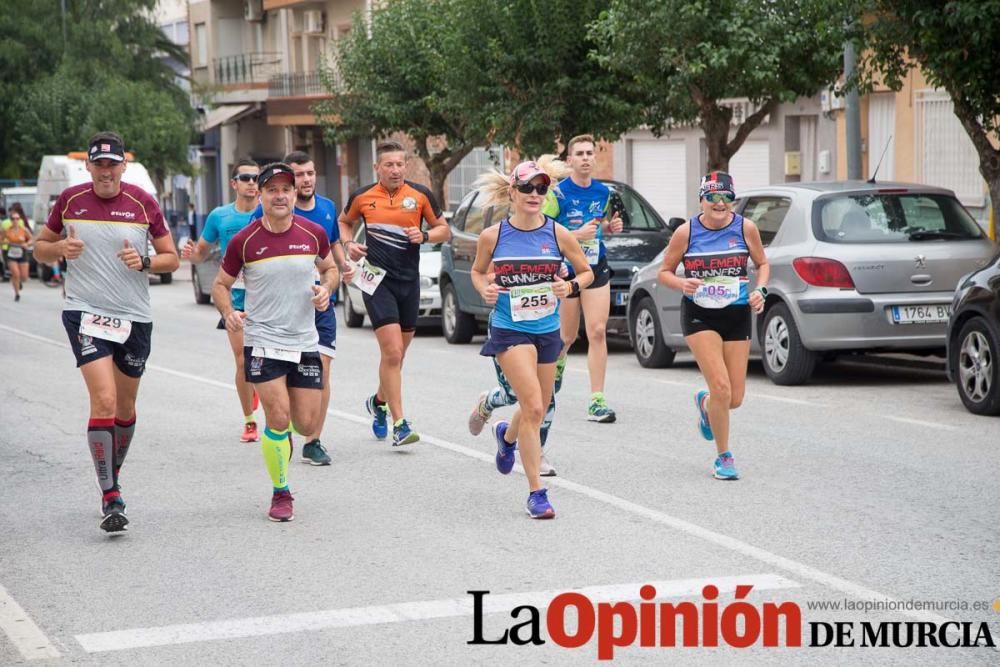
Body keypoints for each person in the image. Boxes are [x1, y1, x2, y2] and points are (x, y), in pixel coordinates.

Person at [33, 131, 179, 533]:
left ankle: (110, 468)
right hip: (85, 312)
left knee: (125, 409)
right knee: (103, 398)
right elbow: (39, 247)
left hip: (133, 315)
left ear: (123, 167)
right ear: (89, 167)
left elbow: (173, 259)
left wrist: (145, 261)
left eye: (112, 164)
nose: (105, 172)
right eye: (99, 164)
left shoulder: (142, 202)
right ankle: (110, 494)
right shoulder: (70, 201)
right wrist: (59, 249)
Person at [212, 162, 338, 522]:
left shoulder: (313, 233)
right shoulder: (245, 241)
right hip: (263, 340)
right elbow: (220, 285)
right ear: (262, 196)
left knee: (306, 425)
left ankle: (280, 443)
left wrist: (326, 289)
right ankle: (281, 491)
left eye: (286, 189)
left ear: (294, 193)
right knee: (278, 416)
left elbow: (329, 269)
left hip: (304, 340)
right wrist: (228, 312)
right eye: (272, 190)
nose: (280, 195)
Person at [471, 158, 592, 519]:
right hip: (510, 327)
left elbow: (586, 273)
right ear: (512, 192)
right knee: (535, 406)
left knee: (534, 406)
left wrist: (568, 286)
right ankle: (537, 492)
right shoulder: (493, 236)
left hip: (546, 330)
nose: (535, 194)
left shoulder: (558, 234)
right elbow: (478, 273)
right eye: (527, 187)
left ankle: (507, 435)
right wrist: (485, 290)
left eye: (541, 188)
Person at [656, 171, 769, 480]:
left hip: (736, 314)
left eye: (727, 197)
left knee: (733, 398)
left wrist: (761, 290)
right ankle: (724, 456)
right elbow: (663, 272)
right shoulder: (686, 232)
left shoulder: (746, 228)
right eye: (713, 197)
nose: (720, 203)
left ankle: (706, 404)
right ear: (701, 200)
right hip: (699, 314)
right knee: (720, 386)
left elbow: (763, 264)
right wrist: (681, 283)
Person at [338, 141, 450, 447]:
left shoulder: (420, 195)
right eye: (389, 165)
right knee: (391, 353)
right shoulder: (363, 197)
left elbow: (444, 230)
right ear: (377, 168)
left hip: (408, 281)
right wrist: (349, 245)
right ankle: (400, 423)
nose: (396, 170)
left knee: (398, 357)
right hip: (377, 281)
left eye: (400, 164)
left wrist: (425, 234)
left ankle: (378, 402)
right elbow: (344, 222)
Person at [252, 151, 354, 466]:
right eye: (300, 174)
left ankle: (313, 440)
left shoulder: (327, 208)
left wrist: (339, 268)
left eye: (310, 173)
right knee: (286, 384)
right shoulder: (264, 213)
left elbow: (332, 245)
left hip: (319, 307)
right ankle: (283, 426)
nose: (306, 179)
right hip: (281, 312)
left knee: (322, 369)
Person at [542, 135, 623, 423]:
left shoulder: (603, 192)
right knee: (566, 336)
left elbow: (598, 226)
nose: (586, 157)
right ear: (570, 160)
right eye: (580, 153)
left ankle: (597, 400)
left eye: (590, 153)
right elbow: (543, 233)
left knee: (598, 331)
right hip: (565, 270)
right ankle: (559, 362)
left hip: (595, 267)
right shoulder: (558, 194)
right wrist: (576, 236)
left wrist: (610, 227)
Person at [182, 159, 262, 443]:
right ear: (234, 183)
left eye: (256, 178)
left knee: (268, 360)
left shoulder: (272, 211)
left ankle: (265, 397)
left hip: (268, 299)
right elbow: (201, 253)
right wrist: (190, 253)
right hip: (235, 297)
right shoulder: (219, 216)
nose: (251, 183)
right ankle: (250, 421)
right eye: (245, 178)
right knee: (243, 361)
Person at [3, 207, 32, 301]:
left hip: (22, 253)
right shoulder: (6, 230)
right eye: (13, 218)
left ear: (19, 220)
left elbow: (32, 240)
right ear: (10, 220)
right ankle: (17, 294)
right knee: (15, 273)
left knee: (24, 277)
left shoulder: (24, 230)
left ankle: (19, 282)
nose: (15, 220)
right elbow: (1, 240)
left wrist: (26, 244)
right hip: (11, 253)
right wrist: (5, 242)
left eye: (17, 218)